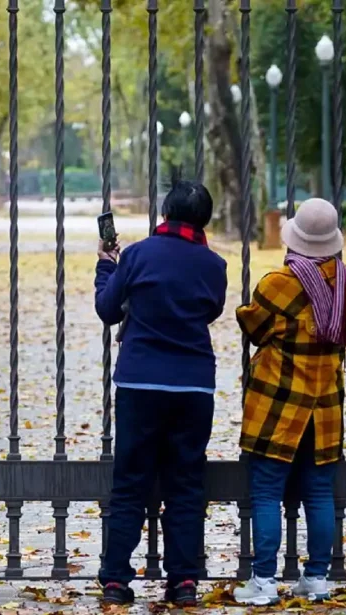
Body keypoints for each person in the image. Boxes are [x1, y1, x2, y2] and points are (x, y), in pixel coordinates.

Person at [94, 180, 227, 606]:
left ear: (165, 213)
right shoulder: (214, 264)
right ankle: (183, 580)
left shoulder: (137, 255)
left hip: (140, 381)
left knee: (130, 480)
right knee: (186, 483)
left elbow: (107, 310)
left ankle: (116, 578)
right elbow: (211, 310)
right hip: (193, 384)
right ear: (204, 219)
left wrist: (106, 269)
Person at [234, 198, 346, 606]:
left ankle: (265, 581)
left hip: (278, 404)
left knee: (268, 492)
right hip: (324, 407)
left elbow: (252, 324)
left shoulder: (277, 284)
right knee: (320, 494)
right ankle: (317, 578)